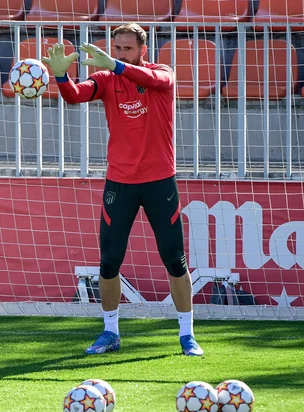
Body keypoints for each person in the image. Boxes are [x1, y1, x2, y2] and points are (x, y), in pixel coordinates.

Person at [42, 23, 203, 357]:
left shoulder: (161, 72)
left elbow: (154, 80)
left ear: (143, 50)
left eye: (127, 49)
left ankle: (187, 334)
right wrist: (61, 76)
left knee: (174, 259)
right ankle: (110, 332)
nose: (119, 54)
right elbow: (74, 96)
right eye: (116, 48)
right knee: (109, 261)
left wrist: (114, 64)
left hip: (160, 181)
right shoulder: (105, 79)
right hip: (120, 182)